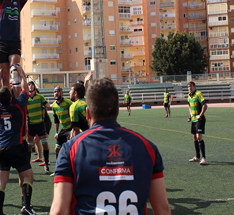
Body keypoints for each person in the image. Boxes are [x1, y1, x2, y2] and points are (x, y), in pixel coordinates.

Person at [50, 78, 171, 215]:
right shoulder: (148, 148)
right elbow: (162, 208)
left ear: (88, 112)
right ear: (117, 110)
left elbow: (59, 211)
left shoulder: (70, 149)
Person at [0, 65, 35, 215]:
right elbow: (25, 91)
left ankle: (0, 213)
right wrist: (22, 76)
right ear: (11, 97)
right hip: (16, 146)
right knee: (27, 177)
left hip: (1, 148)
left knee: (1, 183)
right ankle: (27, 207)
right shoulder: (18, 105)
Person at [27, 81, 51, 174]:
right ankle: (27, 167)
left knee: (45, 144)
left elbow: (47, 105)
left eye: (32, 84)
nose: (30, 86)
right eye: (29, 84)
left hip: (40, 125)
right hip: (31, 125)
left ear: (34, 86)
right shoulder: (26, 99)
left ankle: (46, 165)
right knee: (29, 146)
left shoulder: (40, 97)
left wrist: (53, 105)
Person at [187, 81, 208, 165]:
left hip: (200, 119)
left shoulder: (198, 94)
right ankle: (197, 157)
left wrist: (200, 115)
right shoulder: (189, 96)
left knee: (199, 137)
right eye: (188, 87)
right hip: (194, 119)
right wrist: (190, 115)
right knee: (194, 137)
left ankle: (204, 158)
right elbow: (189, 105)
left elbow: (205, 105)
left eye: (191, 86)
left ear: (195, 87)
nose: (190, 88)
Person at [51, 86, 72, 163]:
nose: (56, 93)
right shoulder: (54, 105)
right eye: (55, 92)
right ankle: (58, 167)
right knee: (57, 149)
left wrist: (74, 129)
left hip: (71, 128)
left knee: (69, 150)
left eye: (58, 91)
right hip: (64, 129)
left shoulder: (68, 103)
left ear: (62, 93)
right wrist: (56, 132)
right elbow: (56, 120)